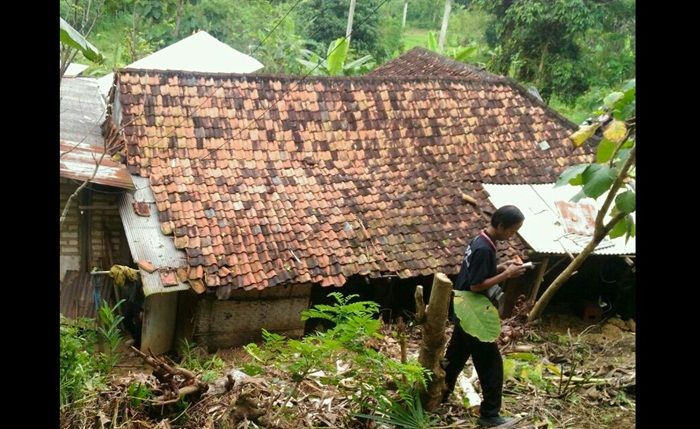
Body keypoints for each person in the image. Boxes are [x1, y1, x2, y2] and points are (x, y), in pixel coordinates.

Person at [442, 205, 527, 428]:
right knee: (491, 364)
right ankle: (489, 414)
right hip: (473, 311)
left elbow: (479, 272)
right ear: (500, 226)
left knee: (455, 358)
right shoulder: (483, 248)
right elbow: (477, 284)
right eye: (512, 230)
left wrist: (501, 267)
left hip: (464, 309)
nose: (512, 235)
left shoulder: (480, 241)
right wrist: (507, 275)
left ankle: (437, 397)